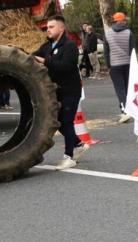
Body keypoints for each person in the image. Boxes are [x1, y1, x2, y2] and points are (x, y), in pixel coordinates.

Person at [33, 15, 89, 170]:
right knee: (58, 123)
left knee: (67, 121)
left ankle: (68, 157)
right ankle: (79, 144)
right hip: (56, 91)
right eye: (47, 27)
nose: (48, 29)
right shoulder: (47, 46)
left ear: (61, 28)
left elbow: (65, 67)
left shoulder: (70, 46)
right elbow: (33, 55)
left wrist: (45, 61)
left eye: (51, 27)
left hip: (70, 90)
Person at [103, 12, 135, 123]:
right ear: (123, 20)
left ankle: (125, 111)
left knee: (119, 89)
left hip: (115, 65)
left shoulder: (107, 33)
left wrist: (108, 66)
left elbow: (106, 52)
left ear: (115, 21)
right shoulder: (129, 32)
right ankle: (130, 109)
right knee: (127, 88)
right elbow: (132, 51)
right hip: (127, 64)